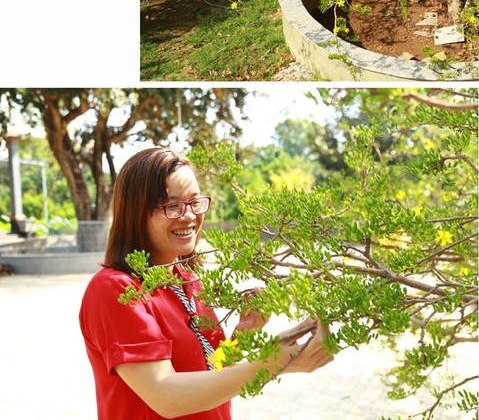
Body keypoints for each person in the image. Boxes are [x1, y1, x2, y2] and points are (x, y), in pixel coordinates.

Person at [79, 147, 333, 419]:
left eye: (194, 202)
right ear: (136, 212)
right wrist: (270, 364)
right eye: (173, 206)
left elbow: (213, 370)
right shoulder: (116, 289)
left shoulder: (189, 279)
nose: (189, 216)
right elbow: (166, 397)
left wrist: (247, 336)